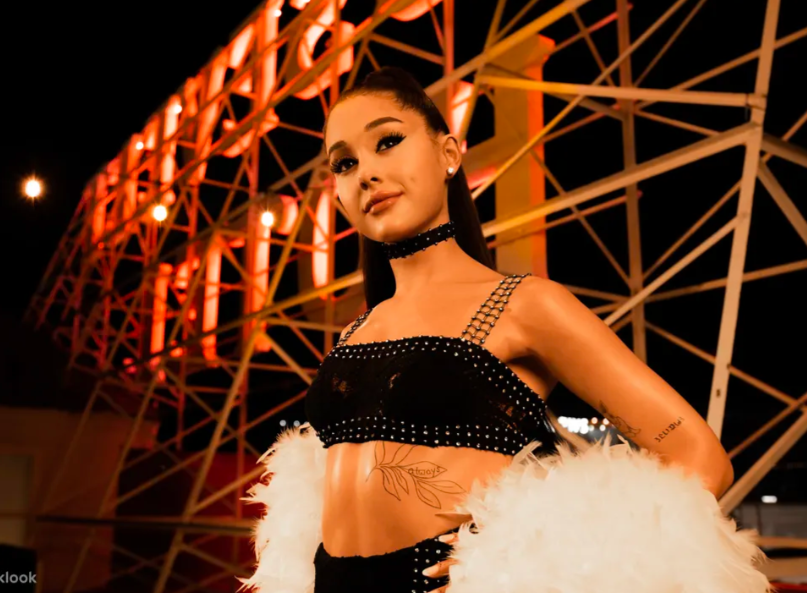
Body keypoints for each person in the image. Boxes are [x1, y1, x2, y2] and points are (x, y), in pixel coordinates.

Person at [240, 67, 771, 593]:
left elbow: (700, 458)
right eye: (345, 163)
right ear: (337, 196)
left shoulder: (525, 305)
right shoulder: (358, 329)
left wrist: (548, 558)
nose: (366, 174)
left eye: (389, 142)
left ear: (449, 154)